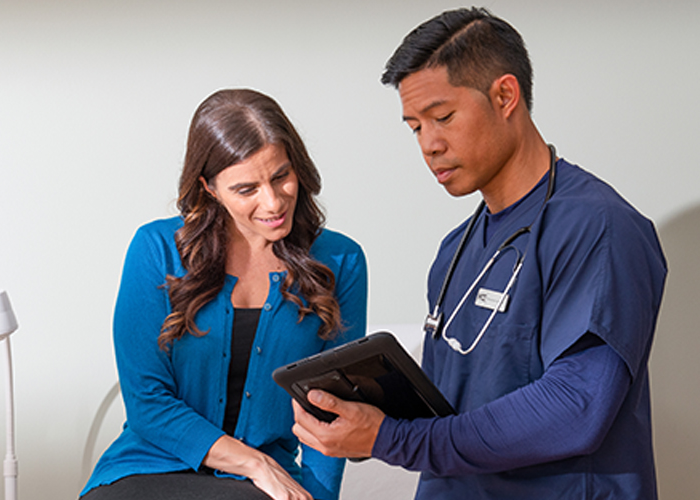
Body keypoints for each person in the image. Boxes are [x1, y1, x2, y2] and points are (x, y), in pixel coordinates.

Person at [291, 8, 666, 500]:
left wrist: (393, 438)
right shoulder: (455, 251)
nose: (429, 145)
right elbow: (457, 411)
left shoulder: (598, 228)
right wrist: (361, 420)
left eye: (442, 117)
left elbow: (576, 407)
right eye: (415, 127)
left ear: (505, 96)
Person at [81, 88, 368, 500]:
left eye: (281, 176)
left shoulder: (341, 261)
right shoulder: (156, 249)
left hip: (258, 489)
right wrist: (255, 463)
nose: (272, 202)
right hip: (147, 469)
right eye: (246, 189)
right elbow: (147, 403)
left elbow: (331, 407)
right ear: (210, 187)